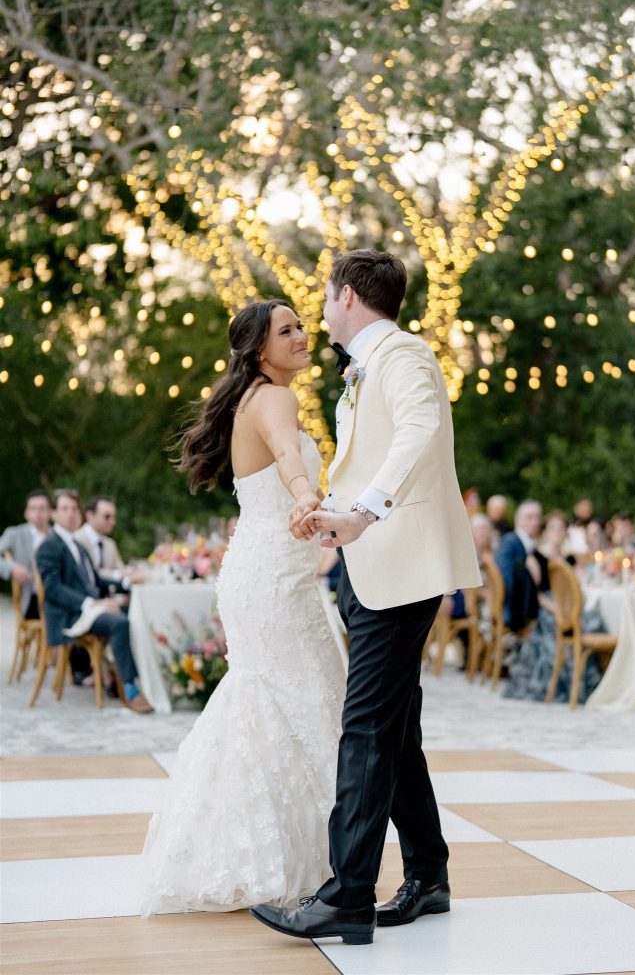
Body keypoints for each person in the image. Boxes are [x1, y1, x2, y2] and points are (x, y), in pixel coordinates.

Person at [250, 249, 481, 946]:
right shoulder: (366, 366)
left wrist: (367, 511)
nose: (319, 308)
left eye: (323, 295)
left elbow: (420, 431)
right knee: (394, 725)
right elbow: (375, 452)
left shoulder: (404, 355)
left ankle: (348, 895)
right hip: (369, 566)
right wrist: (336, 515)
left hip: (399, 565)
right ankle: (428, 875)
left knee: (365, 729)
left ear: (348, 295)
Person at [140, 299, 347, 916]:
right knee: (310, 703)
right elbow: (288, 453)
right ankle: (299, 863)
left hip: (259, 573)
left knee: (270, 704)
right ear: (259, 348)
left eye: (302, 325)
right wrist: (308, 494)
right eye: (287, 331)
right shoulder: (275, 400)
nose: (303, 336)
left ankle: (248, 853)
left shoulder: (249, 398)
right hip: (274, 584)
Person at [35, 489, 152, 713]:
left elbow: (96, 580)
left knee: (130, 614)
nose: (71, 514)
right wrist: (91, 603)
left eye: (74, 509)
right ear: (53, 513)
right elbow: (53, 589)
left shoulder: (76, 545)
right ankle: (129, 688)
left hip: (86, 610)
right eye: (64, 509)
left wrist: (127, 584)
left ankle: (123, 677)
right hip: (68, 616)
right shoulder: (49, 546)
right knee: (119, 622)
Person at [504, 510, 601, 703]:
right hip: (548, 608)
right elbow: (536, 594)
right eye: (553, 528)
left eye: (562, 528)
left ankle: (593, 685)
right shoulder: (535, 558)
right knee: (570, 625)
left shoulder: (569, 558)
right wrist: (557, 609)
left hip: (570, 607)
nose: (558, 532)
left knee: (596, 622)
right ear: (546, 531)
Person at [0, 489, 51, 619]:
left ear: (50, 512)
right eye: (33, 508)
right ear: (26, 513)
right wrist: (12, 567)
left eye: (42, 508)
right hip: (31, 597)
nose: (38, 513)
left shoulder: (56, 537)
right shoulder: (15, 534)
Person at [495, 499, 543, 632]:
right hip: (516, 612)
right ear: (517, 519)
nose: (534, 522)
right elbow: (505, 580)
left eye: (537, 517)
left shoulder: (528, 545)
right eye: (529, 517)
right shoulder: (510, 542)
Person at [75, 496, 127, 582]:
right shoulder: (76, 540)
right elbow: (89, 572)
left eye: (114, 517)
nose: (112, 522)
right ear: (90, 515)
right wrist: (117, 574)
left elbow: (121, 568)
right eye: (107, 517)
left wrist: (132, 572)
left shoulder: (110, 543)